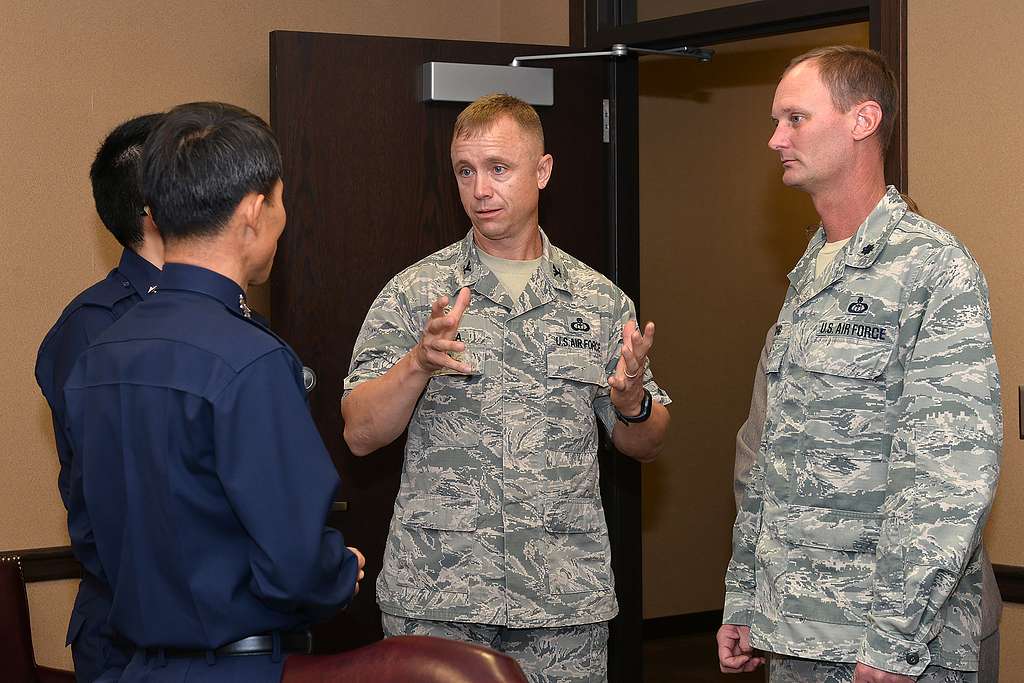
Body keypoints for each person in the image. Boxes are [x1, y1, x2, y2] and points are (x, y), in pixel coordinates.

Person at [341, 93, 671, 682]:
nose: (480, 190)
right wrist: (418, 361)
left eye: (499, 169)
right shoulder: (417, 293)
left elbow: (646, 444)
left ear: (542, 171)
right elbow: (360, 434)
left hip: (562, 605)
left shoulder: (597, 301)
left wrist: (632, 405)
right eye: (465, 172)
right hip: (439, 601)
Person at [718, 46, 1001, 683]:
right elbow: (764, 456)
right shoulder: (808, 278)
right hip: (793, 630)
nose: (775, 139)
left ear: (862, 120)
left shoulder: (931, 268)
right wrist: (745, 598)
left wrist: (895, 642)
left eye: (794, 118)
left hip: (888, 650)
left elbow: (948, 472)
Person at [62, 102, 364, 682]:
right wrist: (335, 571)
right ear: (255, 209)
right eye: (279, 200)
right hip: (238, 668)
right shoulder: (250, 359)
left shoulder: (96, 356)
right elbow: (293, 560)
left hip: (133, 668)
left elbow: (91, 535)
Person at [732, 325, 1002, 682]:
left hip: (933, 635)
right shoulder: (796, 317)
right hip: (801, 627)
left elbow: (955, 471)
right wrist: (750, 598)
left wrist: (895, 633)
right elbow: (756, 465)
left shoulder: (930, 295)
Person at [35, 113, 165, 682]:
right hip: (134, 637)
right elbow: (116, 509)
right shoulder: (98, 329)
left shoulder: (233, 317)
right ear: (159, 208)